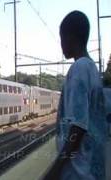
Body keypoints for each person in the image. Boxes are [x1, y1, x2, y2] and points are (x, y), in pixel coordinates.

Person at [46, 11, 108, 180]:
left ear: (71, 37)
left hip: (78, 172)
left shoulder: (79, 69)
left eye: (62, 38)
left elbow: (78, 127)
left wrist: (54, 171)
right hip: (92, 169)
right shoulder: (92, 68)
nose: (61, 44)